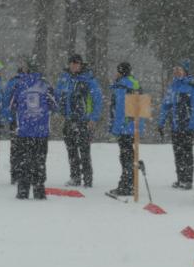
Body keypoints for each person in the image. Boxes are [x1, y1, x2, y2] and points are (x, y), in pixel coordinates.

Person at [9, 56, 57, 199]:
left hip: (24, 131)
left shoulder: (19, 85)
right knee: (39, 162)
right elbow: (55, 106)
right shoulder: (46, 85)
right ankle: (39, 190)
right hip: (41, 132)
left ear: (27, 69)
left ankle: (22, 191)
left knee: (23, 162)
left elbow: (11, 106)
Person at [54, 54, 103, 188]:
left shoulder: (89, 79)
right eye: (72, 63)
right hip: (69, 119)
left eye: (77, 63)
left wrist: (93, 118)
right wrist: (59, 111)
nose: (74, 65)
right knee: (71, 150)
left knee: (84, 150)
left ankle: (87, 179)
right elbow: (57, 95)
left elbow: (97, 100)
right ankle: (75, 177)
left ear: (81, 64)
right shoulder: (64, 78)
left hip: (84, 120)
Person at [158, 60, 194, 189]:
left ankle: (188, 180)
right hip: (175, 125)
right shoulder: (172, 88)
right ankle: (180, 178)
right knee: (177, 153)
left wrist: (193, 125)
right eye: (175, 69)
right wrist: (161, 122)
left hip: (186, 125)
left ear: (185, 72)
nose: (176, 72)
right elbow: (166, 106)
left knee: (187, 152)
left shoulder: (193, 88)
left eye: (179, 69)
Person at [108, 61, 143, 197]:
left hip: (126, 127)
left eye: (117, 71)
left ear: (121, 72)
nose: (115, 73)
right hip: (130, 126)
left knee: (126, 156)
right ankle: (129, 183)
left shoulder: (124, 85)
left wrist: (119, 127)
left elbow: (121, 110)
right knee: (127, 155)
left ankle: (127, 185)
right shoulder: (130, 83)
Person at [2, 66, 26, 184]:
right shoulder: (31, 82)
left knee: (15, 148)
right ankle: (24, 174)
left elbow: (6, 101)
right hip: (27, 121)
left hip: (15, 120)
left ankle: (15, 175)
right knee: (26, 148)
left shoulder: (12, 82)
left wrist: (8, 117)